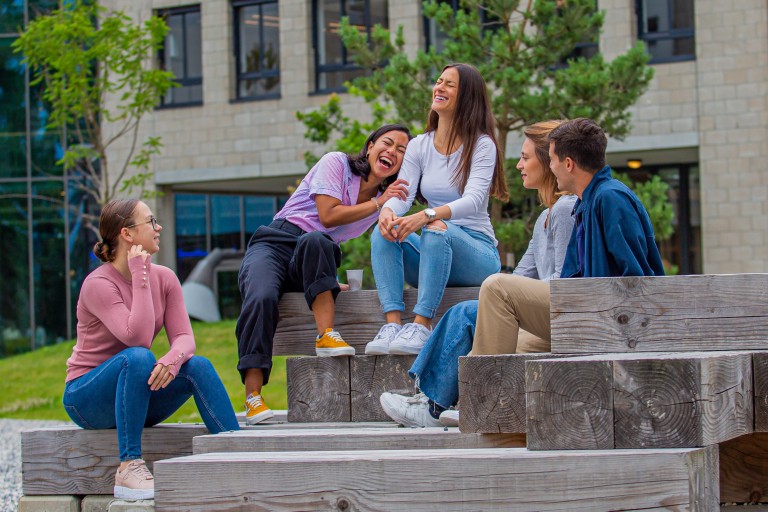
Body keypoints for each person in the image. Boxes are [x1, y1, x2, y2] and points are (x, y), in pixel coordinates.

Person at [379, 120, 577, 427]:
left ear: (550, 162)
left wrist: (508, 305)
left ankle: (441, 405)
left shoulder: (566, 210)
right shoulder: (545, 218)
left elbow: (563, 285)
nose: (518, 164)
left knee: (480, 302)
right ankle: (430, 401)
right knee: (464, 313)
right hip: (538, 313)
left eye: (526, 158)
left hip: (561, 320)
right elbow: (522, 276)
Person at [63, 199, 239, 500]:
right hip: (87, 397)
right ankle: (129, 466)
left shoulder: (166, 278)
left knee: (198, 366)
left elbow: (185, 338)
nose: (158, 228)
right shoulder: (98, 284)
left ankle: (238, 456)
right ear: (127, 234)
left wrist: (172, 361)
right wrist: (139, 274)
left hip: (133, 396)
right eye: (151, 221)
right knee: (139, 358)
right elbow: (138, 338)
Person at [236, 124, 412, 425]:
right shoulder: (337, 163)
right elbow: (327, 215)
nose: (392, 152)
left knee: (319, 241)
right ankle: (253, 397)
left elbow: (329, 238)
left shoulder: (384, 199)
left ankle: (326, 335)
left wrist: (322, 280)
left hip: (311, 251)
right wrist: (378, 203)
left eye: (401, 151)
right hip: (276, 243)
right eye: (387, 143)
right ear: (370, 146)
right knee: (262, 297)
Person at [365, 63, 508, 356]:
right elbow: (403, 195)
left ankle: (421, 324)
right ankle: (393, 324)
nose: (439, 87)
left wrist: (428, 214)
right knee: (385, 232)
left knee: (435, 228)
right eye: (439, 81)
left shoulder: (482, 145)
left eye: (449, 84)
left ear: (466, 96)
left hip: (476, 256)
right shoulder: (420, 144)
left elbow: (473, 199)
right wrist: (388, 210)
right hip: (433, 252)